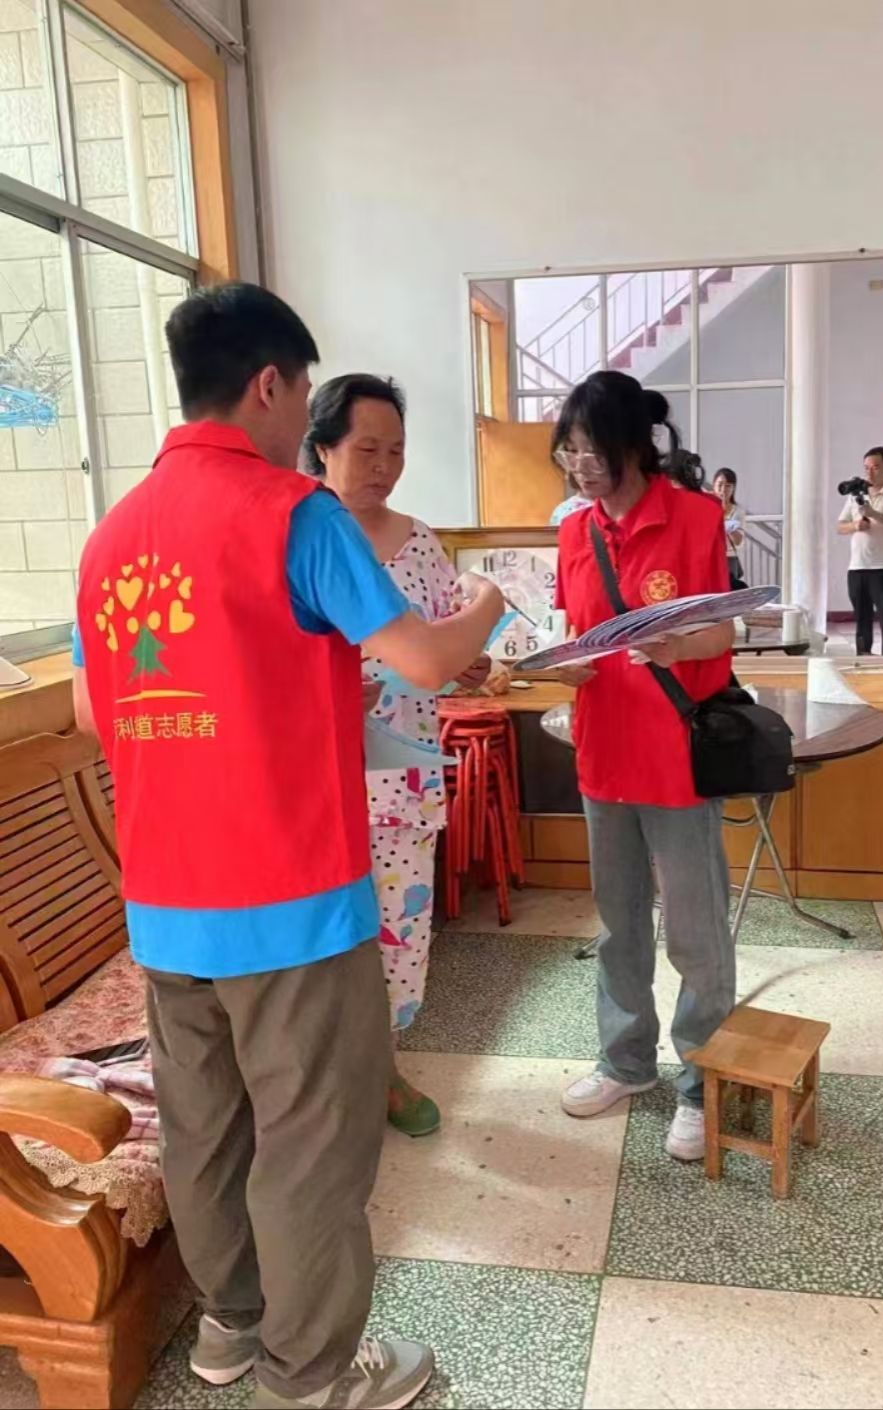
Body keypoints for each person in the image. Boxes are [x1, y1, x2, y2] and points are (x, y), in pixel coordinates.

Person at [71, 283, 504, 1410]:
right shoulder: (293, 514)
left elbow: (93, 710)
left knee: (205, 1127)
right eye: (304, 391)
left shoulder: (112, 536)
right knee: (313, 1137)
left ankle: (232, 1329)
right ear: (270, 384)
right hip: (291, 899)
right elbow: (426, 660)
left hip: (165, 902)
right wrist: (486, 604)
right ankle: (309, 1377)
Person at [551, 371, 736, 1164]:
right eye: (570, 451)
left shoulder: (695, 517)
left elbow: (722, 633)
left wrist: (676, 644)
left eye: (593, 450)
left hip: (676, 753)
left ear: (634, 444)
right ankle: (626, 1061)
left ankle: (702, 1081)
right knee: (615, 923)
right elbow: (578, 629)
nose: (581, 466)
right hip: (603, 750)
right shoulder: (574, 532)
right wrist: (564, 667)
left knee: (694, 928)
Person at [302, 373, 489, 1138]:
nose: (384, 466)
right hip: (315, 783)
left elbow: (449, 643)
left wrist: (468, 660)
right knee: (322, 943)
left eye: (396, 451)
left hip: (403, 778)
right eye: (367, 449)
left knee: (399, 935)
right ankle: (327, 1084)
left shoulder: (421, 544)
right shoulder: (299, 535)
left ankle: (385, 1071)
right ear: (322, 449)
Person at [837, 445, 883, 655]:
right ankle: (863, 657)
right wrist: (855, 525)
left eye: (876, 467)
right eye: (866, 468)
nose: (870, 472)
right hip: (857, 567)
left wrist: (873, 513)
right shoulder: (854, 496)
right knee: (861, 620)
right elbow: (840, 526)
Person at [712, 467, 746, 587]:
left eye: (728, 486)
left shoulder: (738, 511)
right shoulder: (706, 507)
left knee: (729, 590)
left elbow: (738, 541)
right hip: (710, 557)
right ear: (714, 485)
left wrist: (729, 526)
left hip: (729, 557)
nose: (723, 490)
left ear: (733, 488)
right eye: (720, 485)